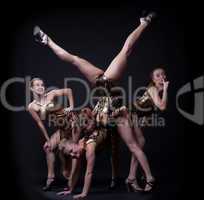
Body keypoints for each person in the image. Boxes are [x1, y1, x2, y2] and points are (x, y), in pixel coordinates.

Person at [33, 12, 156, 193]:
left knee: (76, 59)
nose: (75, 153)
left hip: (102, 83)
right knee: (134, 145)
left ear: (70, 145)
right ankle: (146, 177)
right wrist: (74, 189)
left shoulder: (75, 134)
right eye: (74, 154)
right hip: (114, 106)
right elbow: (81, 168)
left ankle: (46, 40)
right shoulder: (85, 147)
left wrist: (70, 187)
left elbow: (74, 165)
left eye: (72, 151)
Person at [28, 77, 77, 191]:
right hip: (61, 129)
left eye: (42, 84)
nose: (41, 87)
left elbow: (68, 90)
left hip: (71, 124)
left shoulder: (51, 94)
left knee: (67, 152)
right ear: (32, 88)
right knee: (48, 147)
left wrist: (71, 107)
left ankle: (70, 181)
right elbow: (40, 123)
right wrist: (47, 139)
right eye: (37, 85)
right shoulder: (32, 106)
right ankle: (50, 179)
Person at [125, 68, 169, 191]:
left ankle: (131, 178)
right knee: (140, 143)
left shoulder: (156, 93)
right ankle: (149, 178)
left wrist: (144, 122)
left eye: (163, 74)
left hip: (134, 116)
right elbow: (163, 106)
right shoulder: (153, 89)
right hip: (129, 113)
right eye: (157, 75)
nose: (161, 77)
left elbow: (147, 115)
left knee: (139, 144)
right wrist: (165, 89)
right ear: (153, 79)